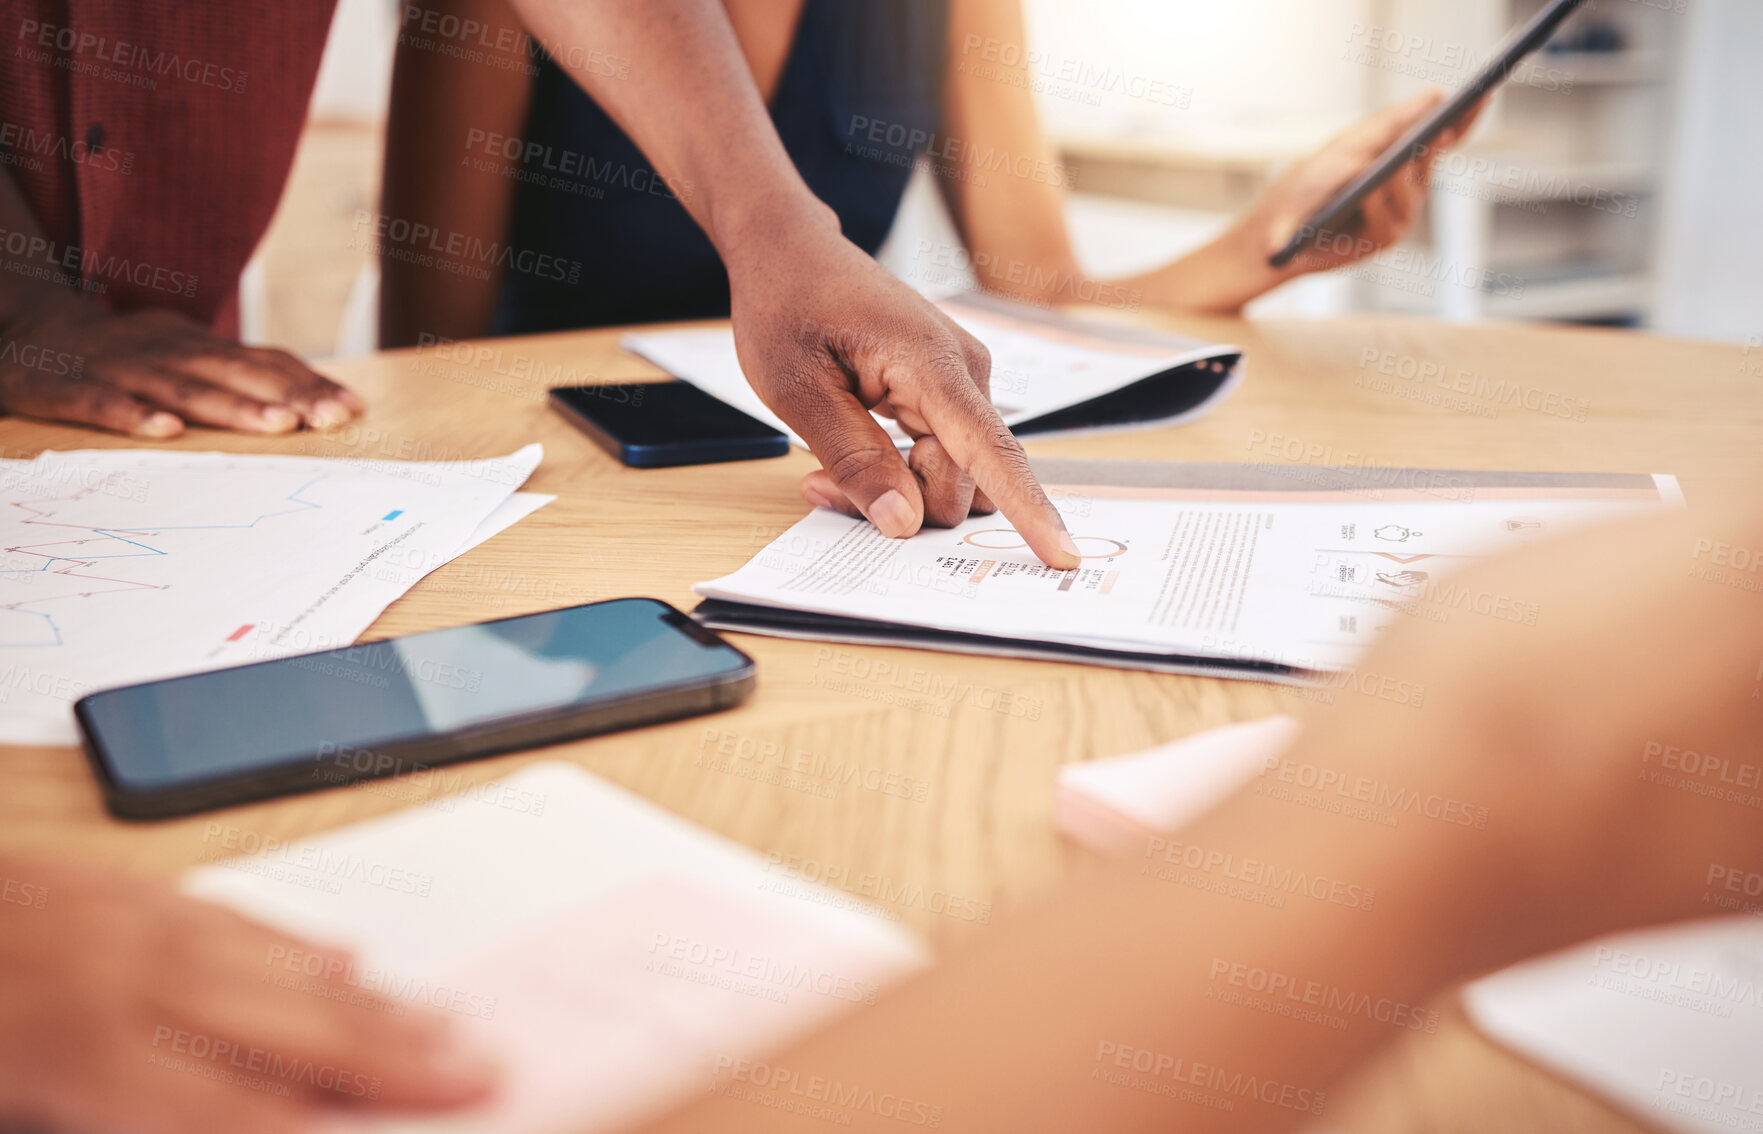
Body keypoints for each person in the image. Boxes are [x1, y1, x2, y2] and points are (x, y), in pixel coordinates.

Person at [0, 0, 1082, 568]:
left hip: (176, 424)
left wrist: (771, 224)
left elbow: (1050, 275)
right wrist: (23, 306)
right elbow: (430, 344)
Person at [381, 0, 1479, 520]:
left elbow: (1042, 288)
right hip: (559, 485)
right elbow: (429, 344)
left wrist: (1266, 243)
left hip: (790, 483)